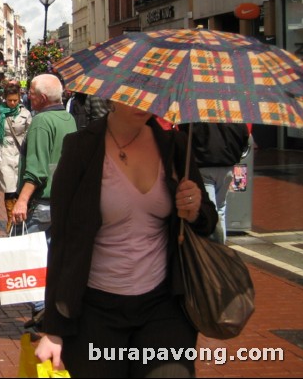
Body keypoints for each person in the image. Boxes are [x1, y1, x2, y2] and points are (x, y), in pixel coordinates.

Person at [35, 101, 217, 377]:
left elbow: (207, 220)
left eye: (150, 91)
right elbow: (62, 239)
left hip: (163, 307)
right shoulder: (81, 147)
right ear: (111, 93)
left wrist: (193, 210)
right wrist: (54, 328)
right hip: (95, 311)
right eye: (134, 91)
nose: (143, 100)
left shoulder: (175, 146)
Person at [13, 74, 77, 330]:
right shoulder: (68, 118)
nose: (28, 94)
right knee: (54, 257)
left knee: (31, 259)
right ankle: (52, 310)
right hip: (63, 199)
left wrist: (21, 200)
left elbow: (37, 170)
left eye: (31, 91)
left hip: (41, 201)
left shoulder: (41, 121)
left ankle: (42, 313)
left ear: (41, 97)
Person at [180, 122, 250, 244]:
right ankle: (220, 244)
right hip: (227, 166)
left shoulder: (197, 117)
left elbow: (185, 134)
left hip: (204, 165)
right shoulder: (234, 117)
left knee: (211, 209)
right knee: (221, 207)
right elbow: (245, 137)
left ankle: (213, 246)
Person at [0, 84, 32, 234]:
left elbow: (30, 133)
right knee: (8, 186)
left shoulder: (25, 113)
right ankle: (10, 218)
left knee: (19, 186)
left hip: (20, 152)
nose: (12, 103)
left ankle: (19, 217)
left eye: (15, 100)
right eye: (10, 100)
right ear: (5, 98)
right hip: (3, 152)